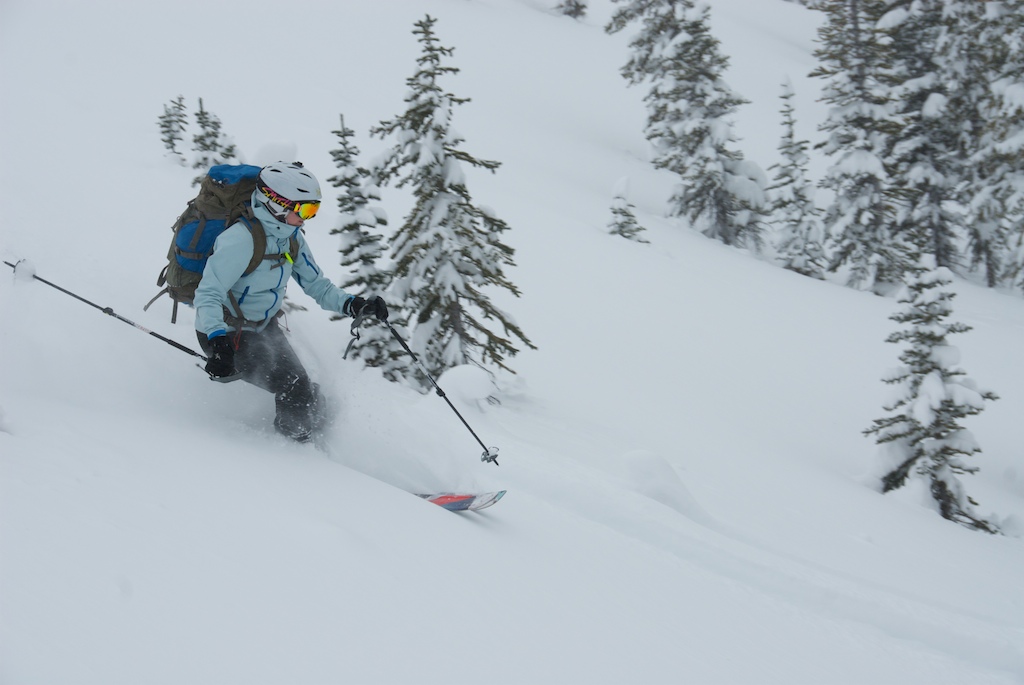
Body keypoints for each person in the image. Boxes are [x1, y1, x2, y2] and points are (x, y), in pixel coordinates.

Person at [193, 161, 388, 442]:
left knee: (305, 390)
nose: (308, 218)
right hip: (225, 333)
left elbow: (317, 285)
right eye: (305, 210)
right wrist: (218, 343)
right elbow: (208, 293)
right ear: (276, 204)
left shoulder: (291, 238)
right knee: (294, 386)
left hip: (263, 327)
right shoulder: (240, 240)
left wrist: (354, 304)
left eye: (313, 210)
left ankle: (319, 438)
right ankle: (293, 456)